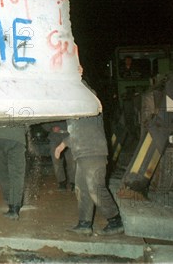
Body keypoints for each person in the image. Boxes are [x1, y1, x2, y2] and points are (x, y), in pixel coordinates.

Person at [55, 74, 124, 236]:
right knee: (82, 189)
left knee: (95, 189)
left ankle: (115, 220)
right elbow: (76, 132)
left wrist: (76, 77)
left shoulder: (88, 99)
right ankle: (85, 223)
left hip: (93, 151)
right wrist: (62, 145)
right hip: (82, 153)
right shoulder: (75, 107)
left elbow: (87, 94)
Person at [0, 125, 28, 220]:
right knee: (16, 174)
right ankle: (14, 208)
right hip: (15, 136)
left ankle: (10, 203)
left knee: (4, 174)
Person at [42, 120, 75, 191]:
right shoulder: (50, 109)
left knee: (71, 160)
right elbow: (43, 122)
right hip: (54, 137)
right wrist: (51, 128)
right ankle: (61, 182)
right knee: (56, 161)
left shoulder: (69, 109)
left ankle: (73, 182)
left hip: (69, 136)